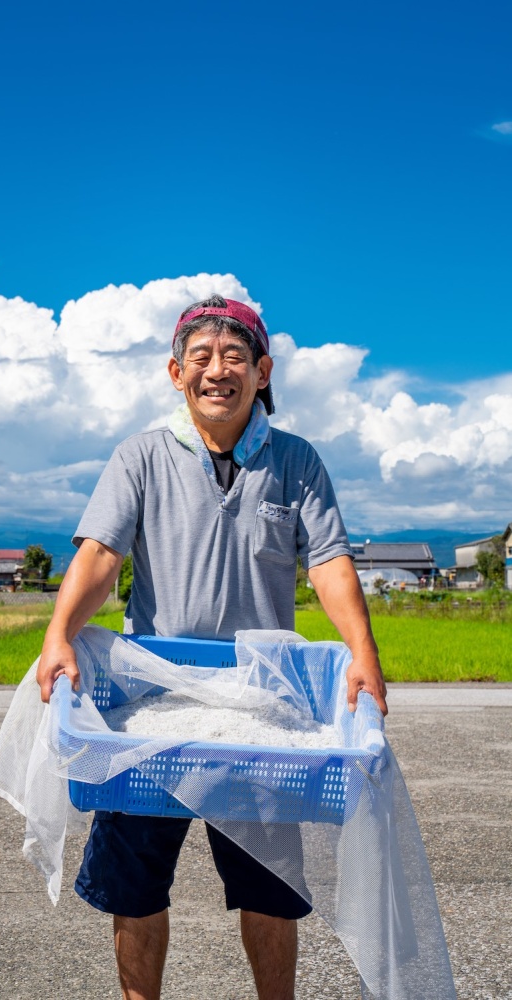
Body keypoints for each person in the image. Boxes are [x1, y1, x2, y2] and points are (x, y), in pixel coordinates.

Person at [37, 295, 388, 1000]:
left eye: (234, 357)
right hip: (149, 705)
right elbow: (102, 553)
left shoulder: (294, 461)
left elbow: (326, 564)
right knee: (133, 889)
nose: (216, 371)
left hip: (263, 710)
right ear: (175, 372)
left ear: (262, 371)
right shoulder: (140, 455)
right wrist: (58, 635)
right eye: (200, 357)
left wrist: (364, 655)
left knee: (269, 888)